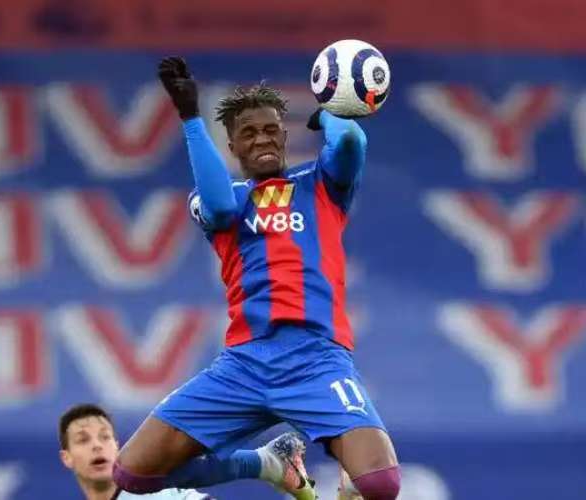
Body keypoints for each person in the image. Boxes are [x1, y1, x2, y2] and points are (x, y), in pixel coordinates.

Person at [112, 56, 400, 500]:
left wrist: (330, 112)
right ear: (232, 147)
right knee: (132, 475)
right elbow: (219, 208)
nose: (261, 139)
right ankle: (267, 463)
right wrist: (190, 117)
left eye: (270, 130)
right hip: (244, 365)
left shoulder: (320, 185)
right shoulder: (222, 198)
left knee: (381, 484)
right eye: (248, 133)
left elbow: (349, 143)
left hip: (316, 359)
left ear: (284, 136)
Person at [58, 403, 213, 499]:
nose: (97, 445)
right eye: (83, 440)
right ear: (66, 457)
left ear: (117, 447)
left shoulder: (154, 492)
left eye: (105, 437)